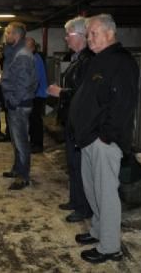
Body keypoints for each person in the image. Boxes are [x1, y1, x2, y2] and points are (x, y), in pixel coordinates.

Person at [69, 14, 138, 263]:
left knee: (106, 193)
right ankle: (98, 231)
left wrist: (105, 136)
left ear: (109, 33)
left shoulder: (122, 62)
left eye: (93, 34)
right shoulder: (99, 60)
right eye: (88, 35)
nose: (89, 39)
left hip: (103, 142)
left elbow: (123, 105)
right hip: (88, 139)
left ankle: (110, 247)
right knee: (93, 190)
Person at [47, 16, 94, 223]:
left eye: (68, 34)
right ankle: (75, 200)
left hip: (81, 120)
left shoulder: (88, 60)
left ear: (81, 36)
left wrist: (62, 93)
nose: (65, 39)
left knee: (81, 164)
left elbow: (85, 94)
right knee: (73, 164)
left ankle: (84, 207)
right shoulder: (78, 58)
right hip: (72, 119)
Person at [0, 22, 37, 190]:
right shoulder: (15, 53)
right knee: (16, 140)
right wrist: (3, 78)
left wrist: (12, 100)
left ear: (17, 35)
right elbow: (15, 77)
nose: (7, 35)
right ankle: (17, 169)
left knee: (21, 141)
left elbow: (25, 83)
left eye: (9, 33)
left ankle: (23, 176)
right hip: (15, 102)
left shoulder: (23, 55)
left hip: (19, 104)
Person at [26, 37, 48, 153]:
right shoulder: (32, 57)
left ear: (32, 46)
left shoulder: (36, 58)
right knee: (32, 119)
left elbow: (37, 79)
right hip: (34, 94)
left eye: (27, 46)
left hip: (37, 94)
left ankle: (38, 145)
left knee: (36, 119)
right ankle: (34, 142)